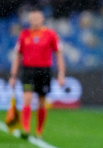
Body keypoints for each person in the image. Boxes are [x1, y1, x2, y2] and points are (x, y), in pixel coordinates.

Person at [9, 9, 65, 139]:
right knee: (27, 99)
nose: (34, 21)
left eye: (37, 18)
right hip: (28, 70)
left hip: (44, 71)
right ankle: (26, 129)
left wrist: (61, 74)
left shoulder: (51, 34)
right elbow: (17, 56)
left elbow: (59, 54)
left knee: (41, 101)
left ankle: (39, 130)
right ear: (29, 20)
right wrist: (13, 75)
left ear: (42, 19)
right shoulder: (24, 35)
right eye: (32, 19)